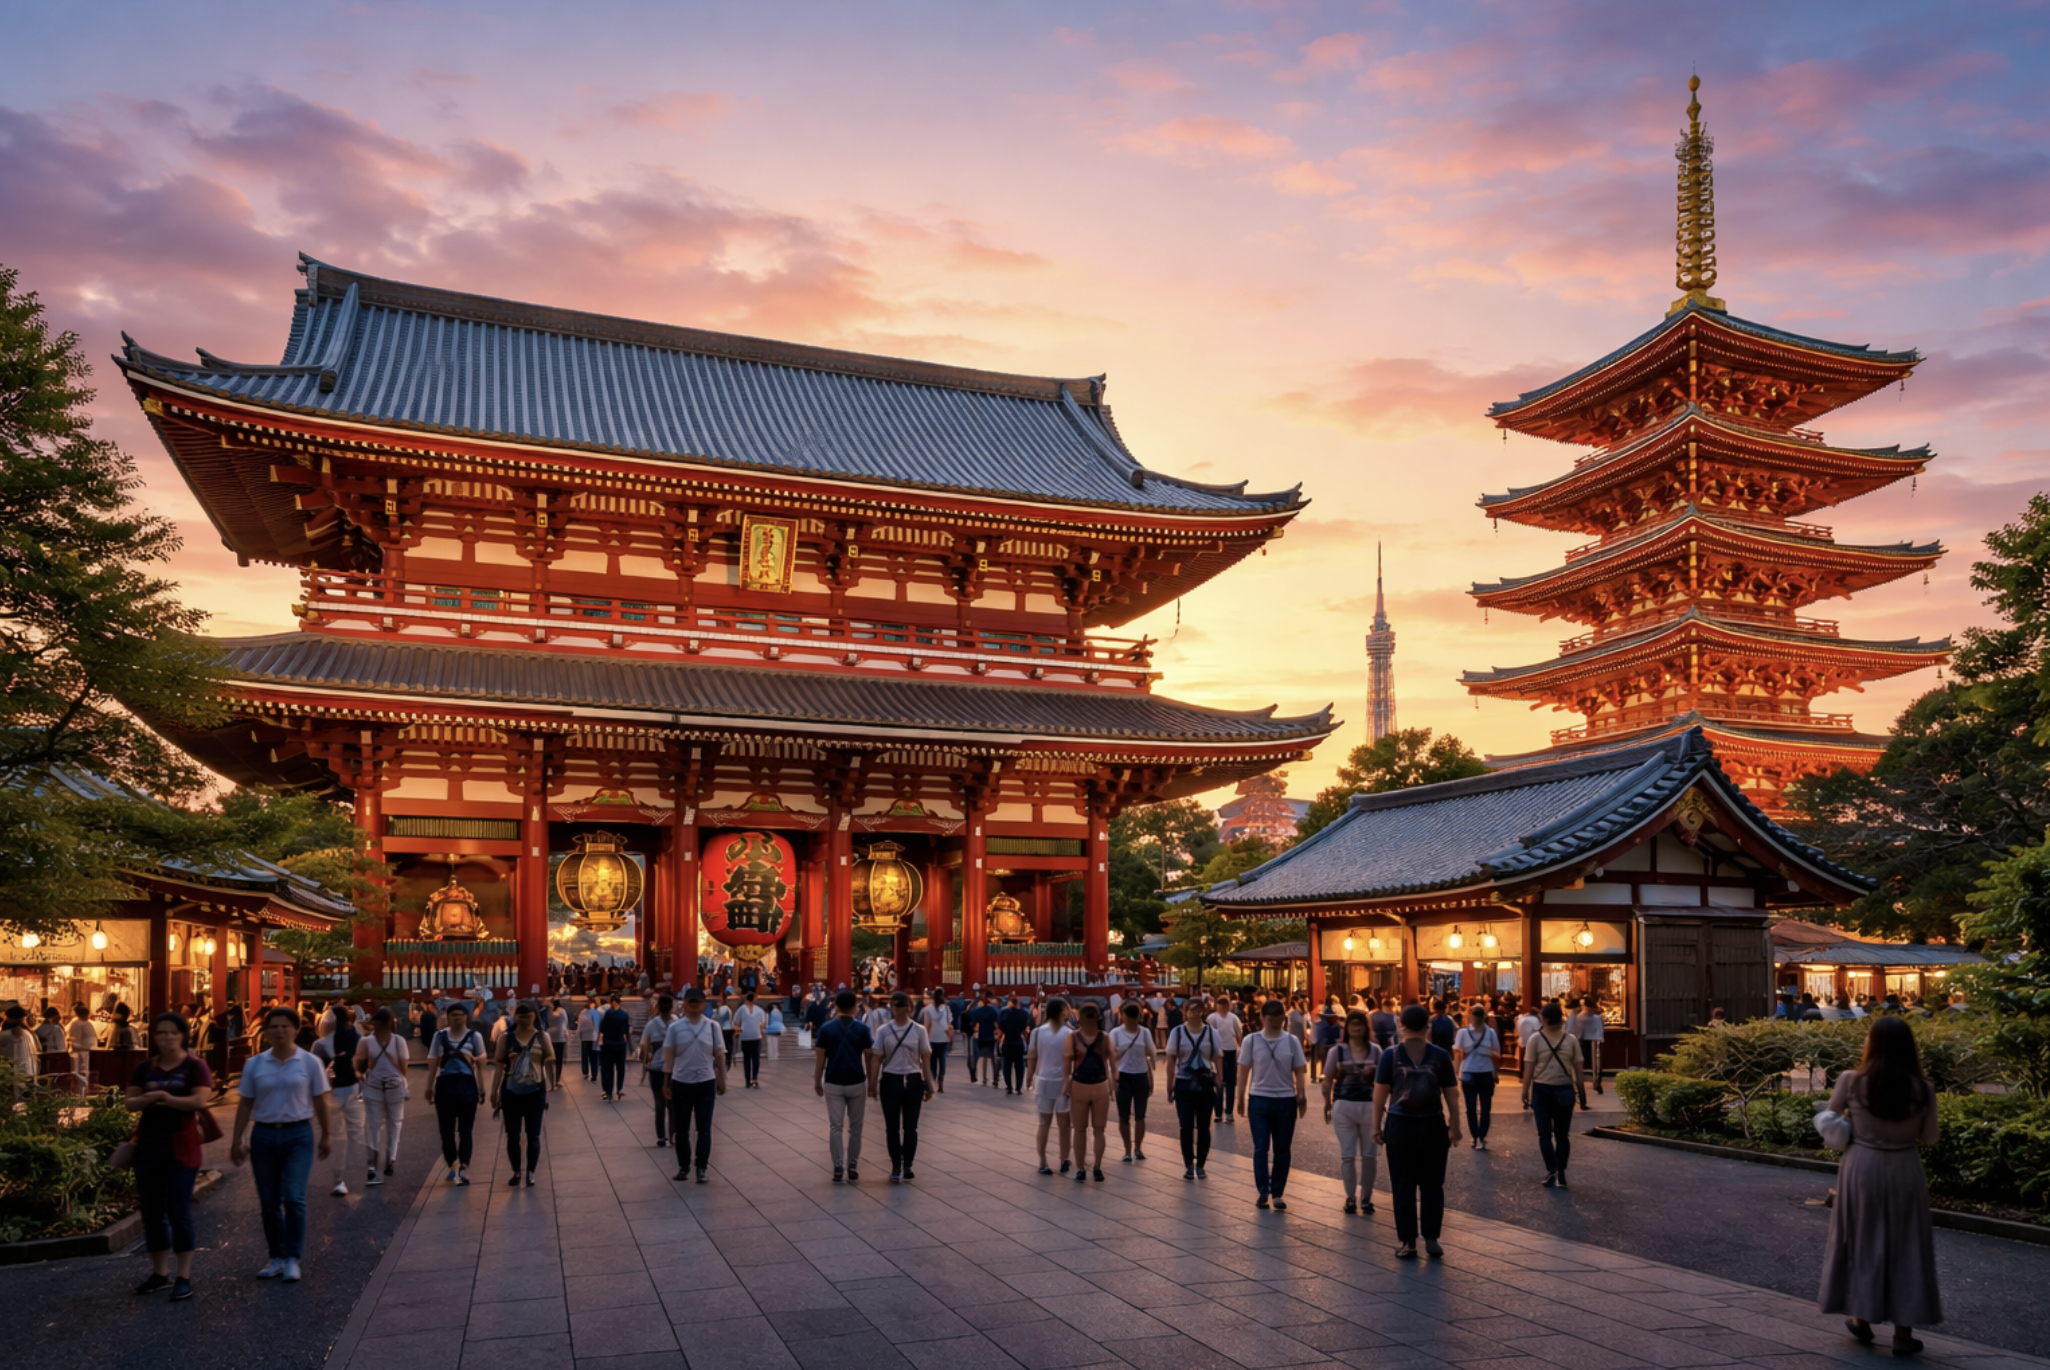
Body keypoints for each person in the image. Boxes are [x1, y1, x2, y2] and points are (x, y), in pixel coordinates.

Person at [1819, 1015, 1943, 1354]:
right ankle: (1903, 1334)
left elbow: (1830, 1119)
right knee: (1907, 1245)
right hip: (1904, 1166)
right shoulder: (1923, 1089)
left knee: (1861, 1239)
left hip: (1862, 1165)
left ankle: (1862, 1318)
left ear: (1870, 1043)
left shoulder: (1851, 1080)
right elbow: (1930, 1138)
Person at [230, 1007, 333, 1282]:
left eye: (285, 1026)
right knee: (269, 1202)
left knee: (294, 1196)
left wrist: (326, 1134)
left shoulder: (310, 1062)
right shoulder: (255, 1064)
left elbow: (321, 1100)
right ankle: (275, 1255)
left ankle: (292, 1257)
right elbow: (245, 1103)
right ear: (266, 1031)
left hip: (298, 1135)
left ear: (296, 1029)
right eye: (273, 1027)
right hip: (263, 1136)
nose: (279, 1031)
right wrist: (237, 1138)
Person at [126, 1012, 214, 1300]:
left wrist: (164, 1098)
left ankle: (183, 1275)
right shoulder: (144, 1068)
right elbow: (130, 1102)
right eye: (160, 1033)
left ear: (183, 1035)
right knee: (151, 1213)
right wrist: (149, 1099)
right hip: (148, 1148)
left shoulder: (194, 1067)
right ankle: (159, 1272)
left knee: (179, 1211)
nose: (166, 1037)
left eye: (172, 1032)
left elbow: (200, 1100)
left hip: (183, 1147)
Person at [1373, 1003, 1462, 1259]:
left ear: (1401, 1026)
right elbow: (1452, 1095)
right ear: (1427, 1026)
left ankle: (1408, 1241)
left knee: (1403, 1185)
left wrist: (1375, 1126)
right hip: (1432, 1125)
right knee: (1433, 1184)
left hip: (1399, 1126)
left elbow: (1379, 1094)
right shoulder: (1440, 1055)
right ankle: (1432, 1237)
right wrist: (1454, 1126)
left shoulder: (1391, 1055)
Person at [1238, 999, 1309, 1209]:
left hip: (1285, 1100)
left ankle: (1277, 1192)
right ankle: (1263, 1190)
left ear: (1283, 1018)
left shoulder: (1291, 1041)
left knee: (1282, 1149)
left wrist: (1302, 1094)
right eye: (1269, 1018)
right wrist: (1240, 1096)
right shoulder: (1251, 1040)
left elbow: (1299, 1069)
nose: (1273, 1022)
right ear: (1262, 1018)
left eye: (1277, 1018)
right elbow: (1243, 1070)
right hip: (1259, 1099)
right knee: (1260, 1148)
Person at [661, 987, 727, 1184]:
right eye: (690, 1002)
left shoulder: (713, 1027)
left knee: (704, 1128)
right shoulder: (675, 1028)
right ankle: (683, 1166)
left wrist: (722, 1078)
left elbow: (720, 1054)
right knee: (681, 1128)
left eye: (698, 1003)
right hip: (681, 1082)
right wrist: (666, 1082)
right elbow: (669, 1056)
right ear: (685, 1004)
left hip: (706, 1081)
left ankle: (701, 1167)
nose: (694, 1006)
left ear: (704, 1005)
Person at [870, 991, 934, 1183]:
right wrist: (872, 1083)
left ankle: (908, 1165)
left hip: (913, 1079)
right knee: (891, 1128)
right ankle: (896, 1164)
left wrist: (929, 1084)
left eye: (899, 1004)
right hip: (890, 1079)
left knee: (911, 1128)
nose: (896, 1008)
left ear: (908, 1007)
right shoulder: (883, 1031)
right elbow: (876, 1058)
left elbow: (926, 1059)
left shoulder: (919, 1030)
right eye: (894, 1005)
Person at [1323, 1009, 1381, 1215]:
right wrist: (1327, 1103)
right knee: (1348, 1155)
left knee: (1369, 1155)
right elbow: (1328, 1078)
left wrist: (1383, 1106)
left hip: (1369, 1107)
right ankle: (1350, 1197)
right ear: (1346, 1028)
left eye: (1360, 1024)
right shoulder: (1336, 1052)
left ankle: (1366, 1197)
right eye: (1352, 1024)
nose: (1356, 1028)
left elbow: (1382, 1082)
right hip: (1343, 1106)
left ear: (1366, 1027)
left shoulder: (1376, 1051)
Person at [1522, 1001, 1584, 1187]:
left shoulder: (1535, 1039)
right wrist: (1581, 1092)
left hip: (1542, 1089)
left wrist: (1525, 1090)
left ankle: (1552, 1170)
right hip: (1565, 1088)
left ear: (1545, 1019)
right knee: (1563, 1135)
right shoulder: (1571, 1040)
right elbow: (1579, 1069)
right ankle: (1562, 1172)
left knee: (1544, 1135)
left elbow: (1529, 1068)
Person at [814, 988, 872, 1183]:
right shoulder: (862, 1029)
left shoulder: (826, 1029)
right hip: (856, 1079)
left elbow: (820, 1058)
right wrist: (872, 1081)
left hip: (833, 1080)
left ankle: (838, 1165)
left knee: (835, 1127)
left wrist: (817, 1080)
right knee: (856, 1127)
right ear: (856, 1006)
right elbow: (869, 1056)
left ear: (836, 1006)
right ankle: (853, 1165)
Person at [490, 1001, 551, 1187]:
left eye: (528, 1015)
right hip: (511, 1093)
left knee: (533, 1135)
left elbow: (547, 1063)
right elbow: (499, 1067)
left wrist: (547, 1086)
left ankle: (530, 1172)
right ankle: (516, 1171)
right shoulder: (506, 1039)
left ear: (534, 1017)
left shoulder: (542, 1037)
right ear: (515, 1017)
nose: (524, 1018)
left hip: (535, 1093)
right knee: (513, 1135)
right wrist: (494, 1091)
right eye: (521, 1015)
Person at [426, 1003, 486, 1185]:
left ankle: (464, 1167)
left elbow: (482, 1063)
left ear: (466, 1017)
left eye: (461, 1015)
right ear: (447, 1017)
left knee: (466, 1131)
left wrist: (481, 1087)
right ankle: (452, 1163)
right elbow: (433, 1063)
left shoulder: (475, 1036)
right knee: (446, 1131)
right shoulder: (439, 1036)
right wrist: (429, 1087)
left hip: (467, 1085)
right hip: (445, 1085)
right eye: (454, 1015)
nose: (457, 1018)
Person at [311, 1004, 363, 1196]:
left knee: (336, 1135)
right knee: (343, 1135)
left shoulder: (321, 1044)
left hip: (330, 1094)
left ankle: (339, 1178)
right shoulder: (355, 1040)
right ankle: (340, 1178)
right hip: (345, 1093)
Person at [353, 1007, 408, 1187]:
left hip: (375, 1086)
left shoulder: (367, 1041)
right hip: (391, 1086)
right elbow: (403, 1066)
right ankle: (385, 1162)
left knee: (376, 1125)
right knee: (392, 1124)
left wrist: (360, 1073)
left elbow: (358, 1063)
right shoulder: (398, 1041)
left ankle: (377, 1165)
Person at [1165, 997, 1218, 1180]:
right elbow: (1171, 1058)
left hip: (1205, 1083)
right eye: (1191, 1010)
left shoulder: (1211, 1033)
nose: (1194, 1013)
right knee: (1186, 1126)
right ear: (1185, 1012)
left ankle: (1201, 1165)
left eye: (1198, 1009)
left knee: (1204, 1126)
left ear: (1203, 1012)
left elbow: (1218, 1057)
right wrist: (1169, 1084)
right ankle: (1188, 1163)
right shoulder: (1177, 1033)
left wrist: (1220, 1081)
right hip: (1184, 1083)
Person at [1065, 1001, 1115, 1183]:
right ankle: (1095, 1167)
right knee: (1096, 1130)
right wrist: (1112, 1082)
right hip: (1098, 1084)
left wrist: (1066, 1084)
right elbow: (1112, 1063)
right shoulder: (1104, 1037)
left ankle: (1084, 1168)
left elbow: (1067, 1064)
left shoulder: (1074, 1037)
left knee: (1081, 1129)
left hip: (1082, 1083)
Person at [1027, 997, 1074, 1175]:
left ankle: (1043, 1161)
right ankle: (1064, 1159)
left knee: (1044, 1123)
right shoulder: (1070, 1033)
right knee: (1064, 1125)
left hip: (1043, 1080)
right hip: (1063, 1082)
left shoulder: (1037, 1033)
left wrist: (1029, 1077)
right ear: (1063, 1013)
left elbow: (1032, 1056)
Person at [1110, 1001, 1155, 1164]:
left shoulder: (1145, 1033)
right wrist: (1112, 1078)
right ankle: (1127, 1149)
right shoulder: (1115, 1033)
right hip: (1123, 1076)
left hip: (1141, 1075)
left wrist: (1151, 1076)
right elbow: (1110, 1058)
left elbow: (1150, 1054)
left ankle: (1138, 1148)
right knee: (1123, 1116)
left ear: (1138, 1017)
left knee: (1140, 1116)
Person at [1454, 1003, 1502, 1151]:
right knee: (1473, 1108)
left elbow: (1497, 1055)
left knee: (1482, 1108)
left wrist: (1485, 1053)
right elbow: (1458, 1054)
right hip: (1471, 1072)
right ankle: (1477, 1136)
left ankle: (1479, 1136)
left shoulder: (1490, 1033)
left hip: (1483, 1072)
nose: (1477, 1023)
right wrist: (1456, 1074)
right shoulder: (1463, 1033)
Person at [640, 994, 678, 1148]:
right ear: (672, 1007)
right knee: (673, 1104)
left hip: (655, 1067)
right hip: (674, 1069)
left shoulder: (651, 1024)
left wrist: (645, 1060)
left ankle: (661, 1136)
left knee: (659, 1103)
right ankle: (673, 1135)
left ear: (657, 1007)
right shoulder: (677, 1022)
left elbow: (643, 1044)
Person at [1207, 995, 1243, 1124]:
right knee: (1220, 1083)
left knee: (1229, 1083)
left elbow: (1238, 1033)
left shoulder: (1232, 1018)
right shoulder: (1212, 1018)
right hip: (1218, 1052)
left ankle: (1227, 1112)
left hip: (1230, 1051)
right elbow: (1239, 1034)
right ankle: (1219, 1112)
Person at [1570, 996, 1608, 1094]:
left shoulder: (1578, 1017)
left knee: (1581, 1062)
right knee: (1595, 1061)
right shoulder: (1596, 1017)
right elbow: (1600, 1027)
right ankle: (1595, 1082)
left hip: (1583, 1040)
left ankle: (1579, 1083)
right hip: (1593, 1039)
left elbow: (1575, 1029)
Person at [597, 995, 632, 1100]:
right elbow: (626, 1030)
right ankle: (619, 1089)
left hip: (608, 1044)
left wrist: (601, 1039)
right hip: (620, 1044)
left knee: (607, 1069)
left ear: (613, 1002)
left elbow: (603, 1028)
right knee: (620, 1068)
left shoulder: (608, 1014)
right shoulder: (625, 1015)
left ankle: (608, 1091)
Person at [996, 994, 1032, 1095]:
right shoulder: (1024, 1013)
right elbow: (1025, 1026)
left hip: (1007, 1041)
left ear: (1010, 1002)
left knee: (1007, 1065)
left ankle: (1009, 1087)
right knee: (1019, 1066)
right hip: (1018, 1042)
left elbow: (1001, 1025)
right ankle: (1019, 1087)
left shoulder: (1004, 1013)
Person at [920, 988, 953, 1093]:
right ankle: (941, 1082)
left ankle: (933, 1082)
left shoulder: (928, 1009)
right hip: (944, 1038)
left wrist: (924, 1039)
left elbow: (927, 1025)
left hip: (932, 1038)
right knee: (942, 1061)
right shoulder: (946, 1009)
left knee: (932, 1061)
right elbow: (949, 1025)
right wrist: (950, 1037)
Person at [965, 992, 1000, 1086]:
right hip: (991, 1036)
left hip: (980, 1036)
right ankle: (995, 1078)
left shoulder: (978, 1010)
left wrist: (971, 1004)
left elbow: (969, 1014)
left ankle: (974, 1073)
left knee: (976, 1056)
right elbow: (998, 1019)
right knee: (993, 1057)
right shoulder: (994, 1010)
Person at [734, 991, 768, 1088]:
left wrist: (737, 1030)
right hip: (753, 1036)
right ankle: (753, 1079)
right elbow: (763, 1023)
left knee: (748, 1059)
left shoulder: (742, 1009)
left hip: (748, 1036)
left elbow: (736, 1021)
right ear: (754, 999)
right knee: (753, 1058)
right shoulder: (757, 1010)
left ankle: (749, 1080)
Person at [545, 997, 570, 1089]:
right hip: (560, 1037)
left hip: (550, 1036)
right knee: (559, 1060)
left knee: (551, 1059)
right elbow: (565, 1023)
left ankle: (551, 1079)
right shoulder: (562, 1011)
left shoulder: (549, 1012)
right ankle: (557, 1079)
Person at [576, 997, 601, 1080]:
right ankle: (594, 1074)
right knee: (594, 1056)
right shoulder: (596, 1012)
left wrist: (578, 1033)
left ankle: (585, 1072)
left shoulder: (583, 1012)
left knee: (584, 1056)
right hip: (593, 1037)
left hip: (584, 1037)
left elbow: (579, 1024)